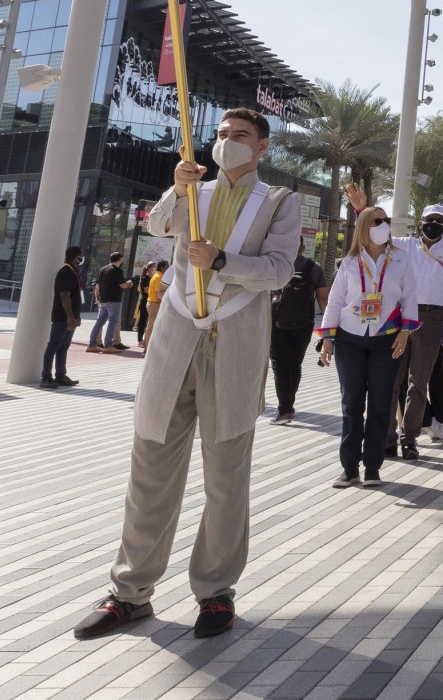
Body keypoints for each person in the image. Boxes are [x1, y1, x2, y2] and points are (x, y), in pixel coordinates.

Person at [73, 107, 301, 642]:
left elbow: (279, 270)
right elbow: (155, 225)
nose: (228, 143)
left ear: (263, 147)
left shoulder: (279, 203)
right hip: (175, 344)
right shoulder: (191, 192)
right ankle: (130, 593)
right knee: (150, 465)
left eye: (241, 136)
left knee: (225, 478)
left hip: (235, 347)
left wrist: (222, 261)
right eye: (221, 135)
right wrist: (176, 189)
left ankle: (216, 592)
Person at [318, 197, 414, 487]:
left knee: (381, 404)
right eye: (377, 221)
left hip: (387, 339)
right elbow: (335, 301)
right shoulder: (348, 262)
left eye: (386, 222)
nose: (383, 226)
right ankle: (349, 468)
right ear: (363, 227)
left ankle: (373, 466)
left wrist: (406, 332)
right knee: (351, 405)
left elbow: (410, 297)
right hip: (350, 340)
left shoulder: (401, 259)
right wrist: (327, 339)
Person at [396, 203, 443, 456]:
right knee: (393, 380)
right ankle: (385, 440)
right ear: (420, 222)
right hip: (400, 316)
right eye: (430, 219)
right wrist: (360, 211)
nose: (434, 224)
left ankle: (409, 438)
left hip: (432, 318)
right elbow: (372, 236)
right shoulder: (404, 244)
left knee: (418, 382)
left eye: (439, 220)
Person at [270, 238, 329, 425]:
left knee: (280, 366)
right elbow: (323, 299)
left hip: (277, 324)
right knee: (295, 365)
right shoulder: (315, 268)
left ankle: (284, 410)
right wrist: (328, 331)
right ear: (303, 247)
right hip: (305, 324)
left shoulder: (275, 265)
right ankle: (289, 405)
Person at [43, 247, 84, 388]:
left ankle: (61, 375)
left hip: (71, 317)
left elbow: (75, 296)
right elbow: (64, 296)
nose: (82, 259)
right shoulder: (65, 273)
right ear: (75, 257)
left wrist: (77, 316)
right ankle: (46, 377)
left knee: (64, 346)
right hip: (63, 318)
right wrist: (70, 317)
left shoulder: (74, 273)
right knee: (53, 346)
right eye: (80, 256)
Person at [88, 259, 132, 353]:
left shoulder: (102, 269)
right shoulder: (117, 270)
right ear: (119, 260)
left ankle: (91, 344)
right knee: (113, 322)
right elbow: (123, 285)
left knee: (99, 322)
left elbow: (98, 285)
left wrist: (97, 298)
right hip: (114, 300)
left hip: (103, 300)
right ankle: (108, 345)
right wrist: (129, 283)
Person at [136, 261, 165, 353]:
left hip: (151, 302)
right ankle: (147, 346)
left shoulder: (155, 276)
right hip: (153, 303)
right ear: (163, 268)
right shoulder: (158, 277)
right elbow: (158, 293)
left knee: (149, 324)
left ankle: (145, 343)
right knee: (150, 325)